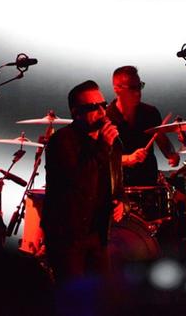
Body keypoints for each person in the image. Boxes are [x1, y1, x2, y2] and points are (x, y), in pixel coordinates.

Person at [41, 80, 126, 284]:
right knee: (73, 295)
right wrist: (103, 146)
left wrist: (122, 203)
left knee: (101, 294)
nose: (102, 112)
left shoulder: (112, 143)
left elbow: (117, 182)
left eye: (103, 105)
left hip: (97, 234)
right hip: (68, 236)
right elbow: (77, 182)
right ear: (76, 113)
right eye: (93, 107)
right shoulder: (62, 141)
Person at [106, 66, 180, 187]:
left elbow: (163, 142)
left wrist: (172, 155)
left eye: (139, 86)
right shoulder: (106, 118)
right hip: (118, 186)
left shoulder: (150, 113)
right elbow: (101, 159)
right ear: (117, 89)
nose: (138, 92)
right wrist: (128, 159)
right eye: (132, 88)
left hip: (148, 183)